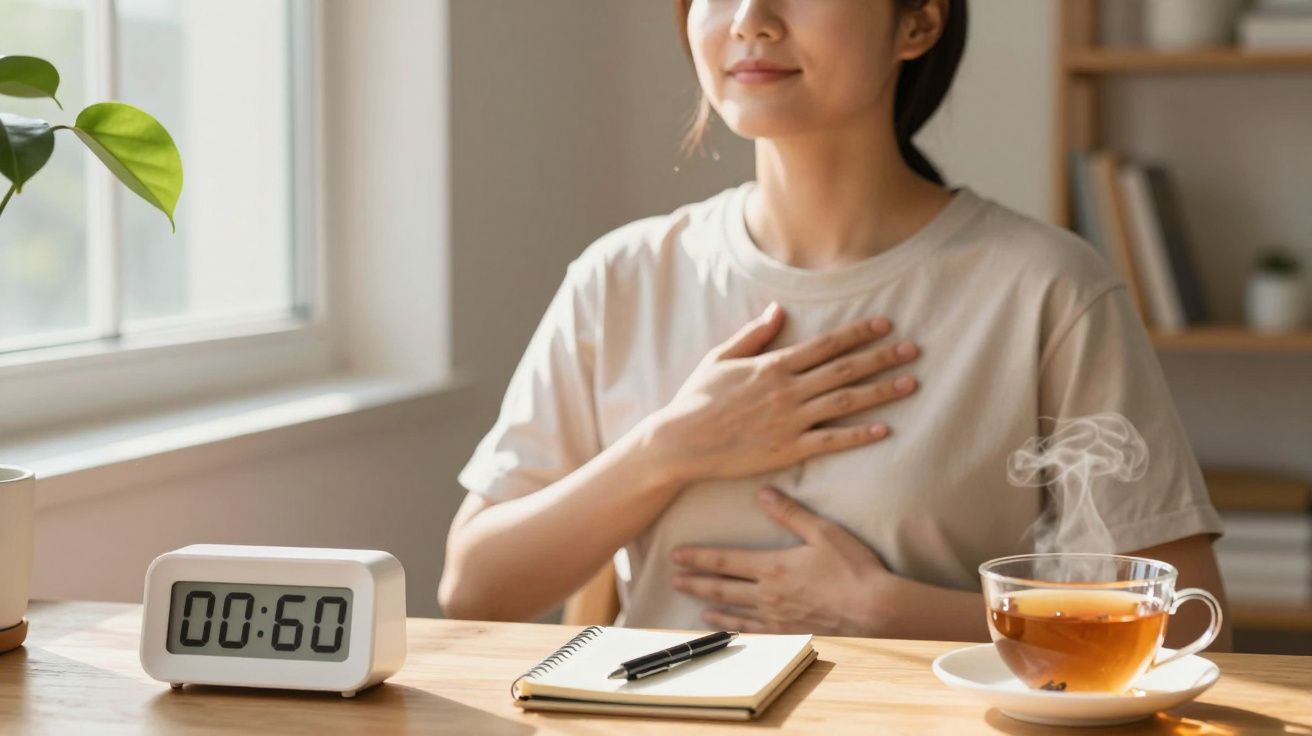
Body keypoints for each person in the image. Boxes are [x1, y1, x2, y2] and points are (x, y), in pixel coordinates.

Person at [439, 0, 1230, 648]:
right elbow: (473, 590)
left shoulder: (1047, 290)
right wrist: (668, 449)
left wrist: (894, 616)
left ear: (919, 21)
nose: (751, 18)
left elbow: (1191, 631)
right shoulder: (619, 278)